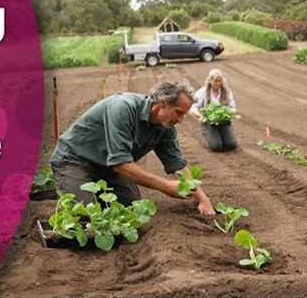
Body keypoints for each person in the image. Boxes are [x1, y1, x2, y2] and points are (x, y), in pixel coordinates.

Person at [49, 80, 215, 215]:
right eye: (178, 112)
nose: (180, 120)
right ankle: (71, 185)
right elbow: (121, 164)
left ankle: (84, 189)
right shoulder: (123, 107)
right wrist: (165, 186)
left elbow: (177, 164)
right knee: (86, 217)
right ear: (163, 103)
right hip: (73, 160)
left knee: (131, 207)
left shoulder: (166, 127)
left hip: (106, 168)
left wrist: (203, 199)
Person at [190, 69, 238, 152]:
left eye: (219, 81)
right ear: (210, 81)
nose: (217, 83)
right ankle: (206, 133)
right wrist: (201, 116)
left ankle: (223, 134)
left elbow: (233, 107)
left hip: (223, 122)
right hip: (209, 122)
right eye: (215, 81)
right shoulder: (202, 92)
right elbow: (193, 108)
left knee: (231, 144)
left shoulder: (227, 91)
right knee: (217, 146)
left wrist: (229, 113)